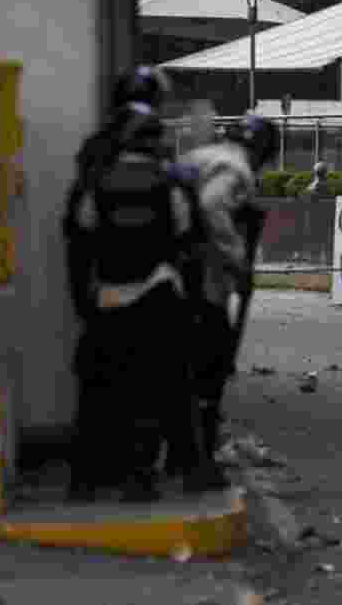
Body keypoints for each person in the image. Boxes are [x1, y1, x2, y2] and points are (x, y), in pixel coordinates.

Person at [63, 66, 205, 503]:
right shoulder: (168, 182)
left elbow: (78, 236)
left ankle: (86, 478)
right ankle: (154, 475)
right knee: (162, 386)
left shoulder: (96, 171)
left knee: (100, 390)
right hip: (158, 295)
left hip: (107, 295)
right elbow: (190, 238)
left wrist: (84, 297)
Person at [172, 115, 279, 477]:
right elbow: (213, 206)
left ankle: (188, 449)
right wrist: (237, 260)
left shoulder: (207, 156)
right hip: (191, 272)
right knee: (209, 360)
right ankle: (195, 453)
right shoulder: (235, 170)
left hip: (176, 266)